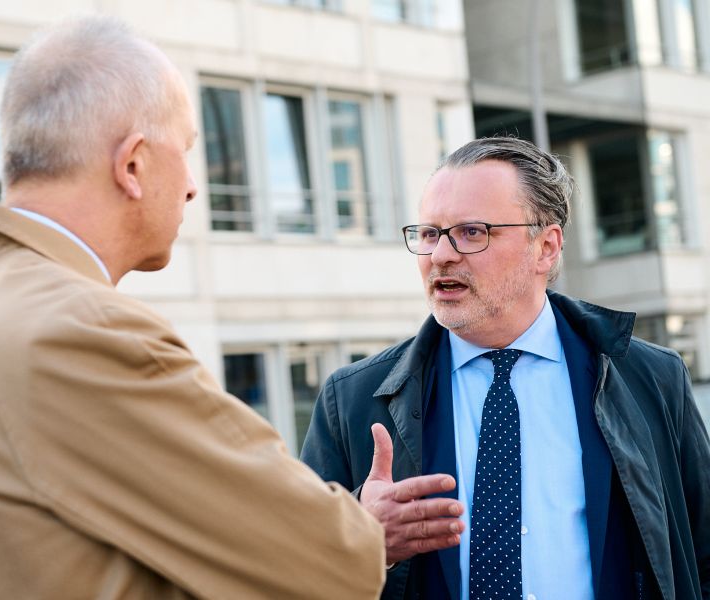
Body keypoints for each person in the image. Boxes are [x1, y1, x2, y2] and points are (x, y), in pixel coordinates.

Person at [0, 16, 390, 599]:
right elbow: (327, 563)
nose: (191, 185)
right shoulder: (79, 332)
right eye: (185, 151)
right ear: (132, 165)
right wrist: (364, 531)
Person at [301, 136, 710, 600]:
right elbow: (288, 572)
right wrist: (359, 540)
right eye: (430, 233)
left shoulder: (650, 377)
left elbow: (701, 554)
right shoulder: (352, 400)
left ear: (546, 247)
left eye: (472, 232)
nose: (441, 256)